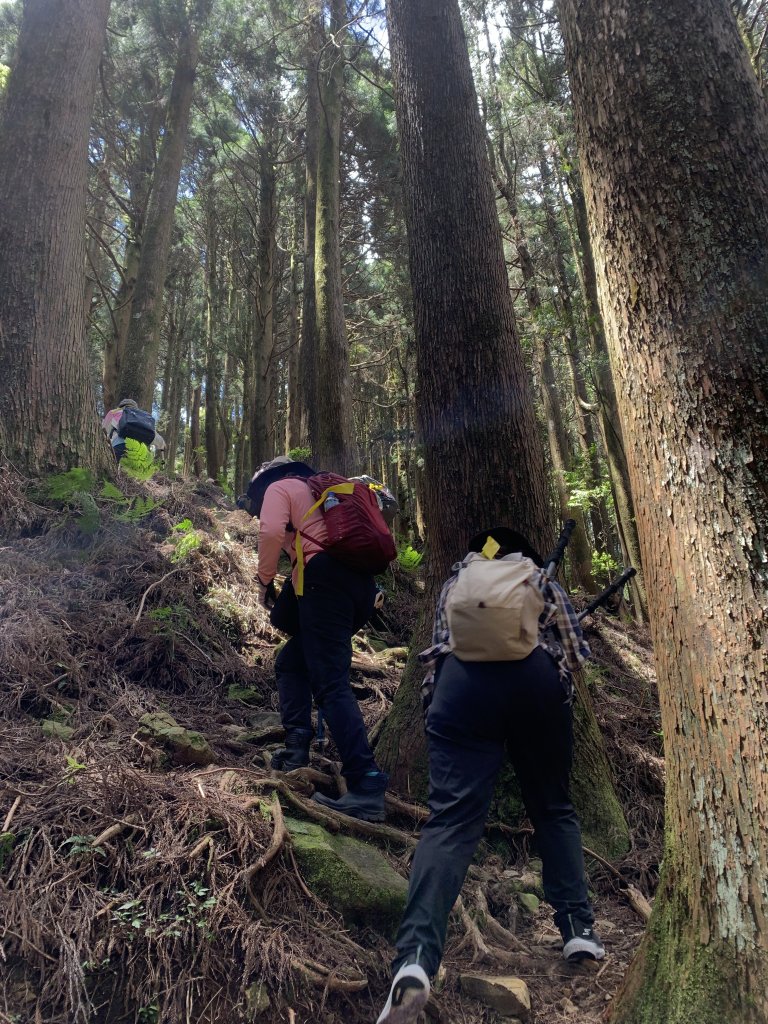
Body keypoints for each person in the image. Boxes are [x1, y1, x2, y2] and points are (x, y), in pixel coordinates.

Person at [375, 526, 604, 1024]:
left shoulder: (458, 580)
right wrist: (549, 686)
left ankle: (413, 960)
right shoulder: (540, 578)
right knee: (553, 808)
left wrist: (442, 708)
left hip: (461, 692)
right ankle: (577, 930)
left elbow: (436, 652)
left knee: (450, 823)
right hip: (535, 689)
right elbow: (576, 655)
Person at [252, 456, 389, 822]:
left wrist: (263, 581)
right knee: (291, 662)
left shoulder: (281, 489)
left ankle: (366, 784)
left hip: (324, 582)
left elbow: (268, 533)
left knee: (330, 683)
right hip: (360, 589)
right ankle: (297, 746)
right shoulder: (323, 493)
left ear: (269, 479)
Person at [102, 398, 164, 462]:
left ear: (121, 406)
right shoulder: (142, 418)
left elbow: (104, 430)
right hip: (140, 451)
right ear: (136, 408)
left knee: (115, 468)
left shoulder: (114, 412)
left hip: (119, 447)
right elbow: (155, 437)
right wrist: (162, 445)